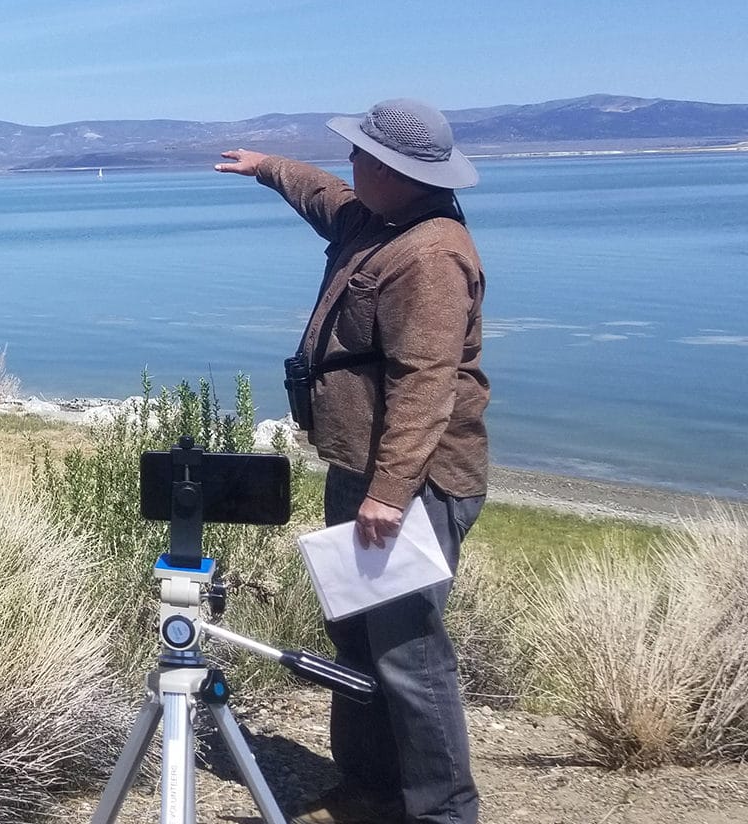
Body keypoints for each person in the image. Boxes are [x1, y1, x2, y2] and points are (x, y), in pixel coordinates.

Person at [215, 99, 490, 824]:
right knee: (358, 639)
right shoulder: (374, 219)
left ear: (400, 172)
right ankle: (373, 787)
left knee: (408, 653)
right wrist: (267, 167)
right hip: (360, 470)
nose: (352, 165)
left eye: (364, 157)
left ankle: (443, 811)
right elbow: (322, 194)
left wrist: (390, 494)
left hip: (413, 484)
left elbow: (426, 385)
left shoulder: (429, 255)